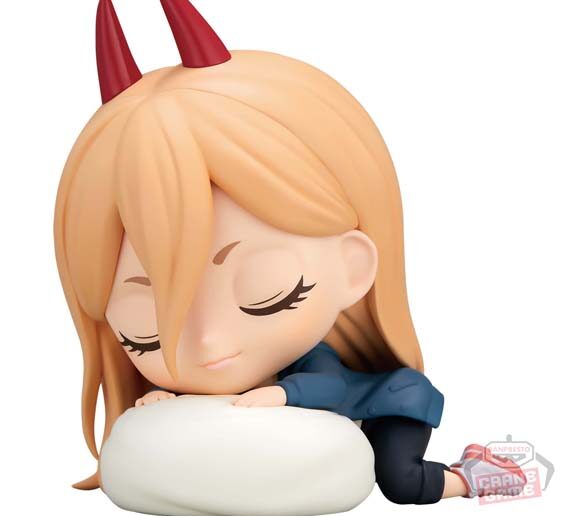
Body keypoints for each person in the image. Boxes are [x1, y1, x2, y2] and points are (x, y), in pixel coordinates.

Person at [54, 0, 526, 503]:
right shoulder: (208, 378)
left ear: (352, 267)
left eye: (267, 294)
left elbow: (331, 391)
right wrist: (160, 397)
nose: (209, 344)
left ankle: (478, 475)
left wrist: (282, 393)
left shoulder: (313, 363)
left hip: (386, 406)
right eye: (147, 334)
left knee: (398, 482)